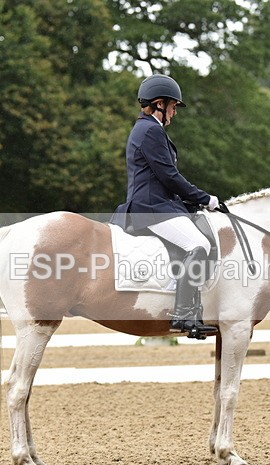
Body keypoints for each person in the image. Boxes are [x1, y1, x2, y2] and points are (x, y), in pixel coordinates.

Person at [111, 73, 219, 339]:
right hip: (151, 208)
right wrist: (205, 198)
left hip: (159, 204)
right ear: (159, 104)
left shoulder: (149, 129)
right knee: (199, 245)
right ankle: (183, 313)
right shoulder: (149, 130)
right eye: (172, 106)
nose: (174, 112)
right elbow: (169, 176)